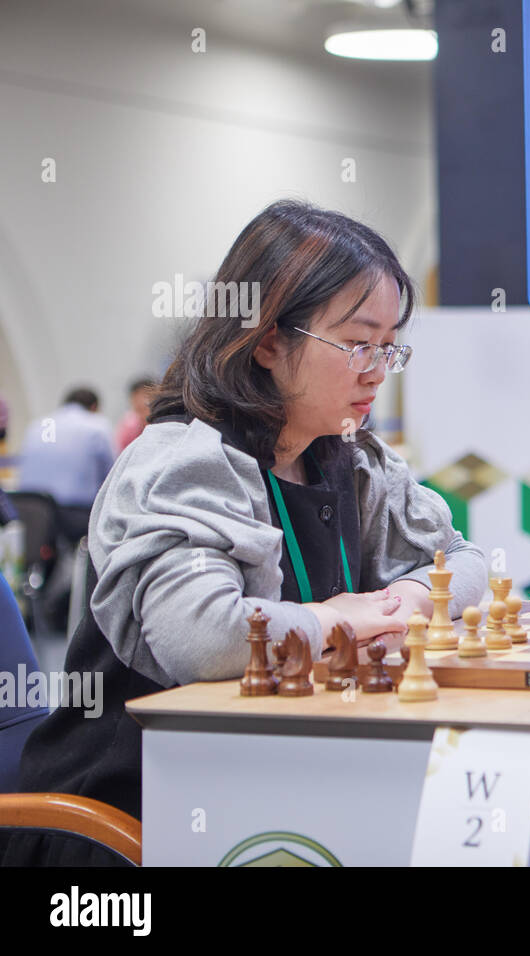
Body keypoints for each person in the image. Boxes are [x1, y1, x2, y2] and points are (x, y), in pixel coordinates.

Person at [4, 200, 487, 865]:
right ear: (266, 341)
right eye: (355, 342)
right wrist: (336, 620)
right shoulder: (184, 462)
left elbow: (464, 563)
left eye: (388, 346)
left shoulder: (351, 456)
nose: (378, 368)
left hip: (268, 789)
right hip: (126, 815)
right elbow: (205, 640)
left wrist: (405, 600)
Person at [17, 387, 115, 510]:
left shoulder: (36, 425)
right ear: (94, 407)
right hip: (73, 513)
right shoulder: (97, 426)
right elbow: (112, 477)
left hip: (30, 510)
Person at [113, 377, 156, 454]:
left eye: (145, 395)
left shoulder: (163, 422)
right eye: (136, 396)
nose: (140, 400)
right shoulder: (128, 425)